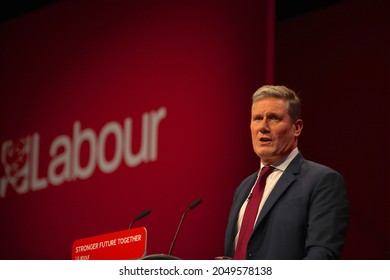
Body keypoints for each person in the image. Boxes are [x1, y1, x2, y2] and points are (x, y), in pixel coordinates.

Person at [224, 85, 349, 259]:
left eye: (273, 118)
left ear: (296, 128)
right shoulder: (244, 188)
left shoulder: (322, 181)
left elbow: (321, 256)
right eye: (257, 118)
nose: (263, 127)